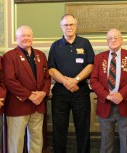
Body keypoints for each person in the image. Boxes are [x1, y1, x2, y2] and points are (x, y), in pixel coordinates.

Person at [47, 14, 95, 153]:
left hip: (81, 93)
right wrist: (66, 82)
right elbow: (51, 69)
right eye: (66, 25)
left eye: (71, 25)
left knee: (83, 128)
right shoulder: (55, 46)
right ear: (61, 27)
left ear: (76, 25)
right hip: (61, 94)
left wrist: (76, 80)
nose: (69, 27)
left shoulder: (85, 43)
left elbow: (91, 65)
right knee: (59, 129)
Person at [90, 28, 127, 153]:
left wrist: (121, 94)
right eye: (110, 38)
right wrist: (107, 95)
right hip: (105, 105)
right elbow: (94, 81)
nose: (113, 40)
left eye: (116, 37)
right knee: (106, 142)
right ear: (107, 41)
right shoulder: (99, 58)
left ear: (121, 40)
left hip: (126, 104)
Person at [3, 25, 51, 153]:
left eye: (28, 35)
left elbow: (47, 77)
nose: (26, 38)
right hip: (18, 105)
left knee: (37, 139)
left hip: (37, 105)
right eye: (22, 36)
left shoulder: (40, 55)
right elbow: (9, 80)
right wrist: (29, 95)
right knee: (16, 141)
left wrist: (43, 93)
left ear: (32, 37)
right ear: (16, 38)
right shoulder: (10, 56)